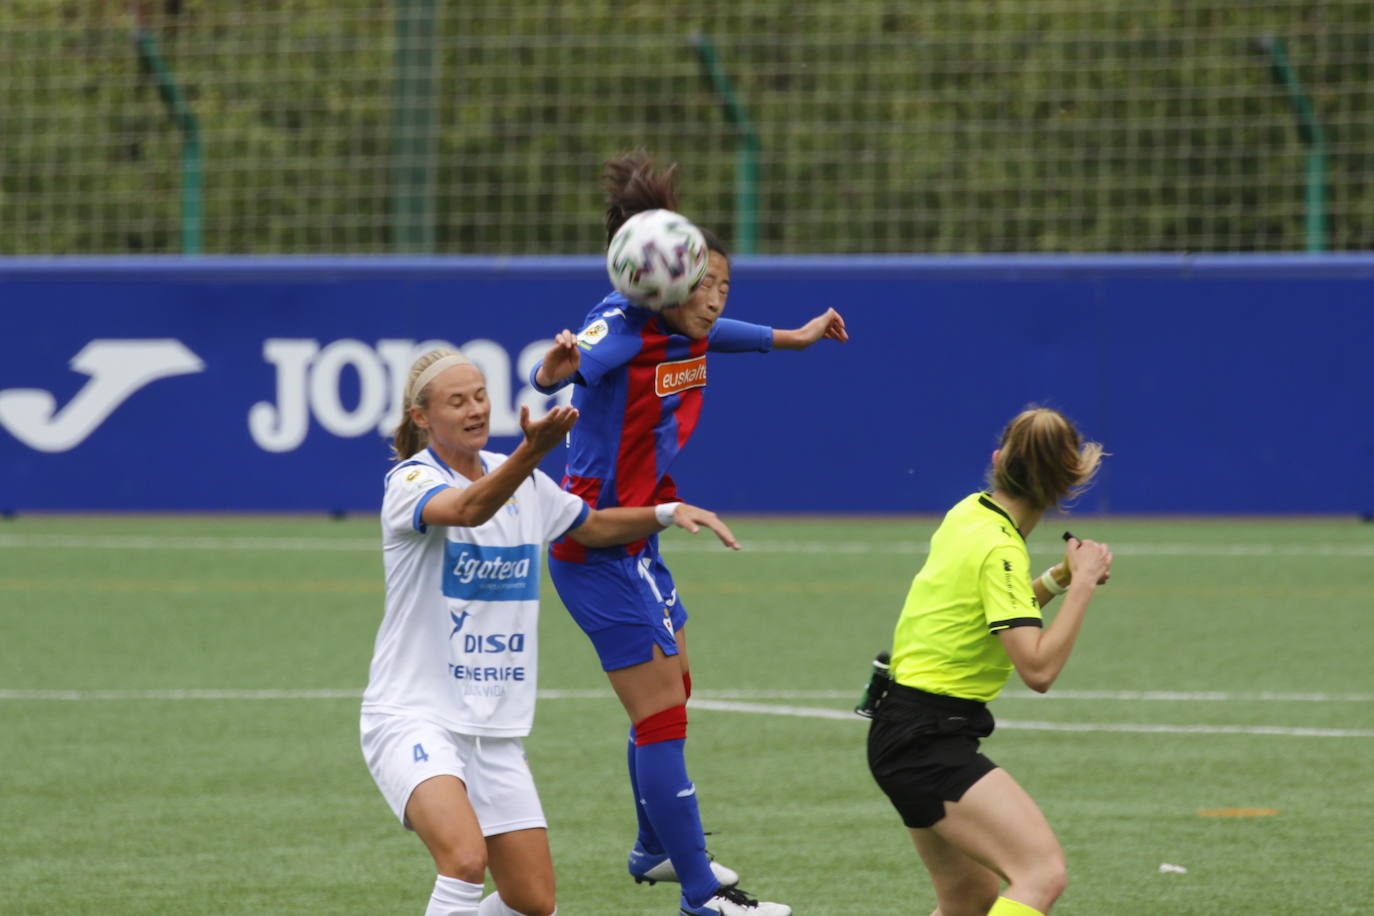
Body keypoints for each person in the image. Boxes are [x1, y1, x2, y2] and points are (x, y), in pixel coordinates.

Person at [527, 152, 848, 916]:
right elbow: (568, 369)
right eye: (704, 285)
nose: (715, 300)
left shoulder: (689, 330)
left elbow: (722, 334)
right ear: (663, 284)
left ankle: (655, 850)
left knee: (677, 694)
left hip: (639, 545)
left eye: (723, 286)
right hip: (596, 541)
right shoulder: (621, 330)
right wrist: (554, 369)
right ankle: (702, 895)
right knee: (661, 714)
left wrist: (794, 339)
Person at [361, 347, 741, 916]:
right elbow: (467, 510)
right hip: (414, 715)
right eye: (456, 402)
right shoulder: (412, 481)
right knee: (464, 861)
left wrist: (665, 512)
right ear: (422, 417)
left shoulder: (526, 483)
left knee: (531, 901)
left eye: (481, 396)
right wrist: (530, 451)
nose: (474, 410)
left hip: (494, 728)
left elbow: (590, 527)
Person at [866, 406, 1113, 916]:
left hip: (902, 728)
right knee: (1041, 874)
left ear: (998, 461)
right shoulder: (999, 549)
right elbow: (1038, 669)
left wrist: (1058, 579)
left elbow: (997, 609)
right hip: (925, 740)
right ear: (1068, 481)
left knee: (967, 899)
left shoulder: (970, 512)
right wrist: (1084, 584)